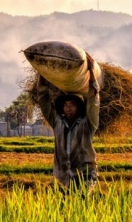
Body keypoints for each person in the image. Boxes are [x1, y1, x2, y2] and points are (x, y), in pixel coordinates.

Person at [37, 53, 100, 192]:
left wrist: (91, 73)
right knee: (62, 211)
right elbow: (43, 101)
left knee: (80, 203)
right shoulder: (57, 123)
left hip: (85, 175)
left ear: (79, 107)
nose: (68, 108)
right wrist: (41, 73)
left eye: (72, 105)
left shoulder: (88, 124)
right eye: (66, 105)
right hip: (63, 177)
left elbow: (93, 101)